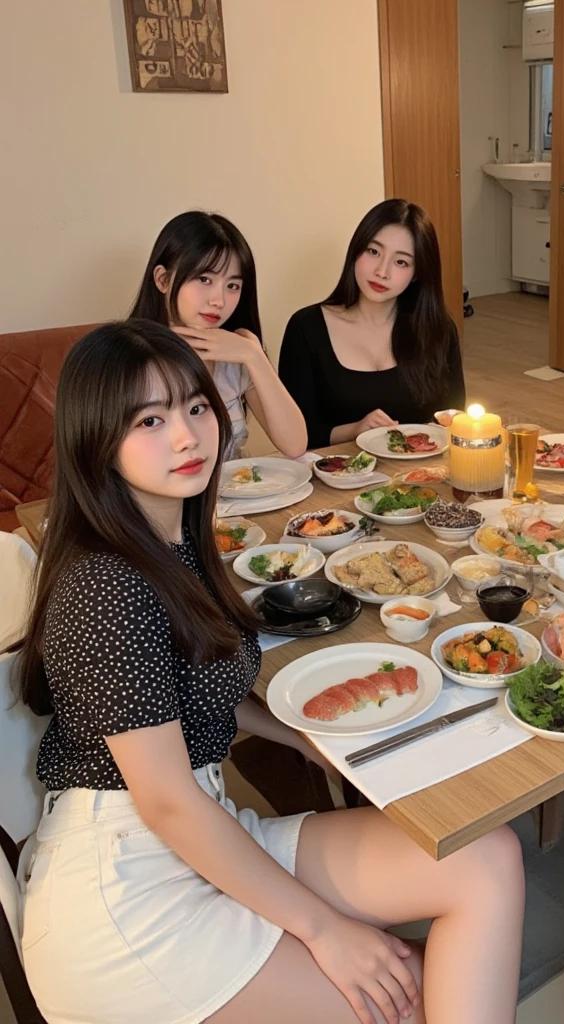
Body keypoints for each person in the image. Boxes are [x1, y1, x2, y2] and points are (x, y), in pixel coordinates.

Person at [11, 320, 524, 1024]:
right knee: (404, 995)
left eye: (195, 407)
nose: (189, 436)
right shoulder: (106, 583)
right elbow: (162, 800)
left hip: (201, 821)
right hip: (126, 887)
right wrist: (323, 929)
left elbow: (197, 700)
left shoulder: (174, 540)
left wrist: (320, 742)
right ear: (94, 438)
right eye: (150, 420)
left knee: (486, 858)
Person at [278, 199, 466, 448]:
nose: (382, 271)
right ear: (356, 251)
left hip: (419, 475)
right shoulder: (306, 328)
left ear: (416, 274)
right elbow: (297, 437)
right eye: (373, 251)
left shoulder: (437, 330)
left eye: (401, 262)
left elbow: (453, 416)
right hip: (333, 478)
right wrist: (355, 429)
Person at [129, 210, 307, 460]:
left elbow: (295, 445)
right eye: (204, 279)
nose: (218, 300)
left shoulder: (235, 355)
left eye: (232, 286)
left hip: (236, 494)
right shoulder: (131, 360)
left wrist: (255, 356)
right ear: (163, 280)